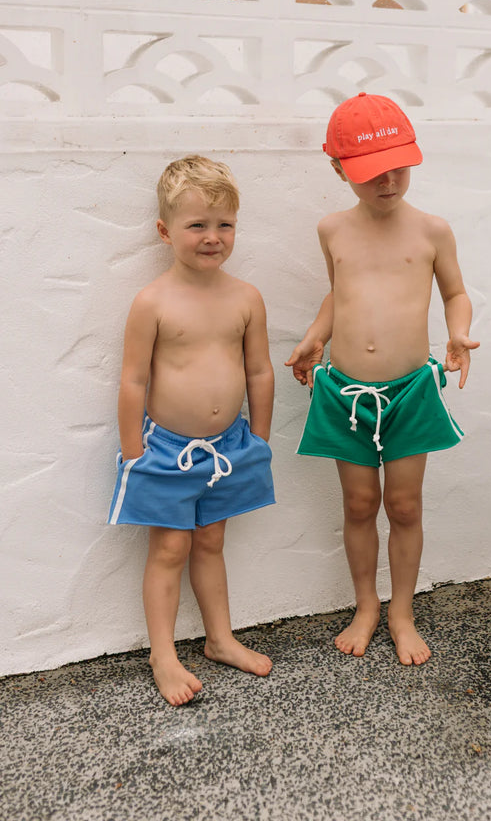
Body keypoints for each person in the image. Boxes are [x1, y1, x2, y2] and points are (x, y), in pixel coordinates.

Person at [286, 92, 479, 666]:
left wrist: (459, 333)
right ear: (339, 169)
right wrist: (316, 336)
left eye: (399, 166)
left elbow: (455, 292)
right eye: (372, 171)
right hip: (345, 392)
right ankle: (366, 604)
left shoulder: (431, 231)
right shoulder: (332, 230)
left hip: (410, 391)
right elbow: (339, 292)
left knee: (404, 504)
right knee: (359, 502)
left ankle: (401, 611)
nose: (389, 180)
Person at [107, 155, 275, 705]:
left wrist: (261, 437)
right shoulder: (152, 301)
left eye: (224, 224)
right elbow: (133, 379)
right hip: (165, 450)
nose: (212, 237)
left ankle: (220, 638)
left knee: (211, 540)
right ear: (165, 231)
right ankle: (163, 653)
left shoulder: (246, 297)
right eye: (197, 225)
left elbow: (258, 370)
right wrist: (134, 449)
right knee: (170, 548)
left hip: (229, 447)